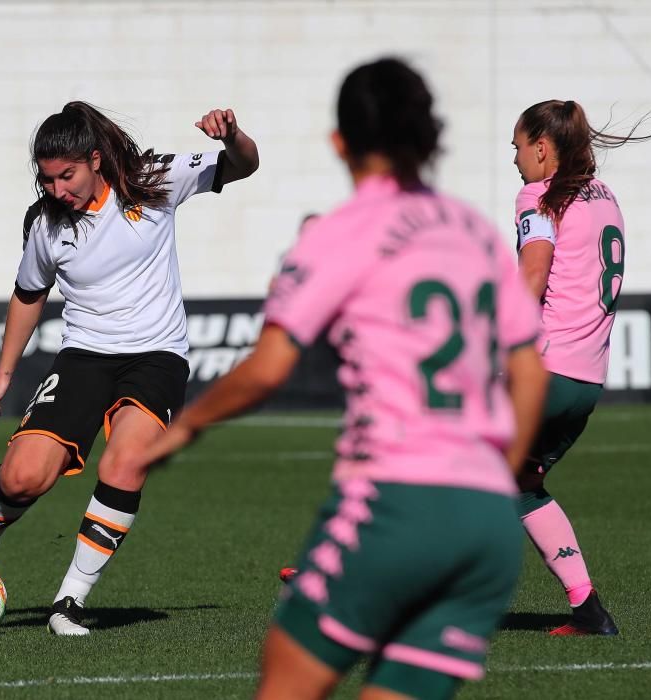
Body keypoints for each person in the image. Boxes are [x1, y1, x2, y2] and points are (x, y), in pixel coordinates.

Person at [138, 58, 548, 700]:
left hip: (395, 505)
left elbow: (271, 365)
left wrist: (186, 424)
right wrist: (498, 480)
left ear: (340, 142)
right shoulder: (474, 230)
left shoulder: (340, 233)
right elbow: (528, 371)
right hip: (486, 530)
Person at [0, 100, 259, 636]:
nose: (57, 190)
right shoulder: (45, 223)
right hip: (84, 356)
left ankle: (70, 600)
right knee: (23, 475)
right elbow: (29, 294)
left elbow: (244, 165)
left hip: (156, 357)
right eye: (47, 180)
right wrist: (3, 375)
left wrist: (232, 137)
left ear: (96, 159)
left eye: (66, 176)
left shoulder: (153, 180)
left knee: (125, 465)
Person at [511, 99, 651, 635]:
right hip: (586, 382)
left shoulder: (538, 196)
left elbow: (534, 277)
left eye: (517, 148)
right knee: (522, 486)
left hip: (543, 370)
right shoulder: (605, 196)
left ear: (542, 148)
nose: (515, 160)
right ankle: (588, 610)